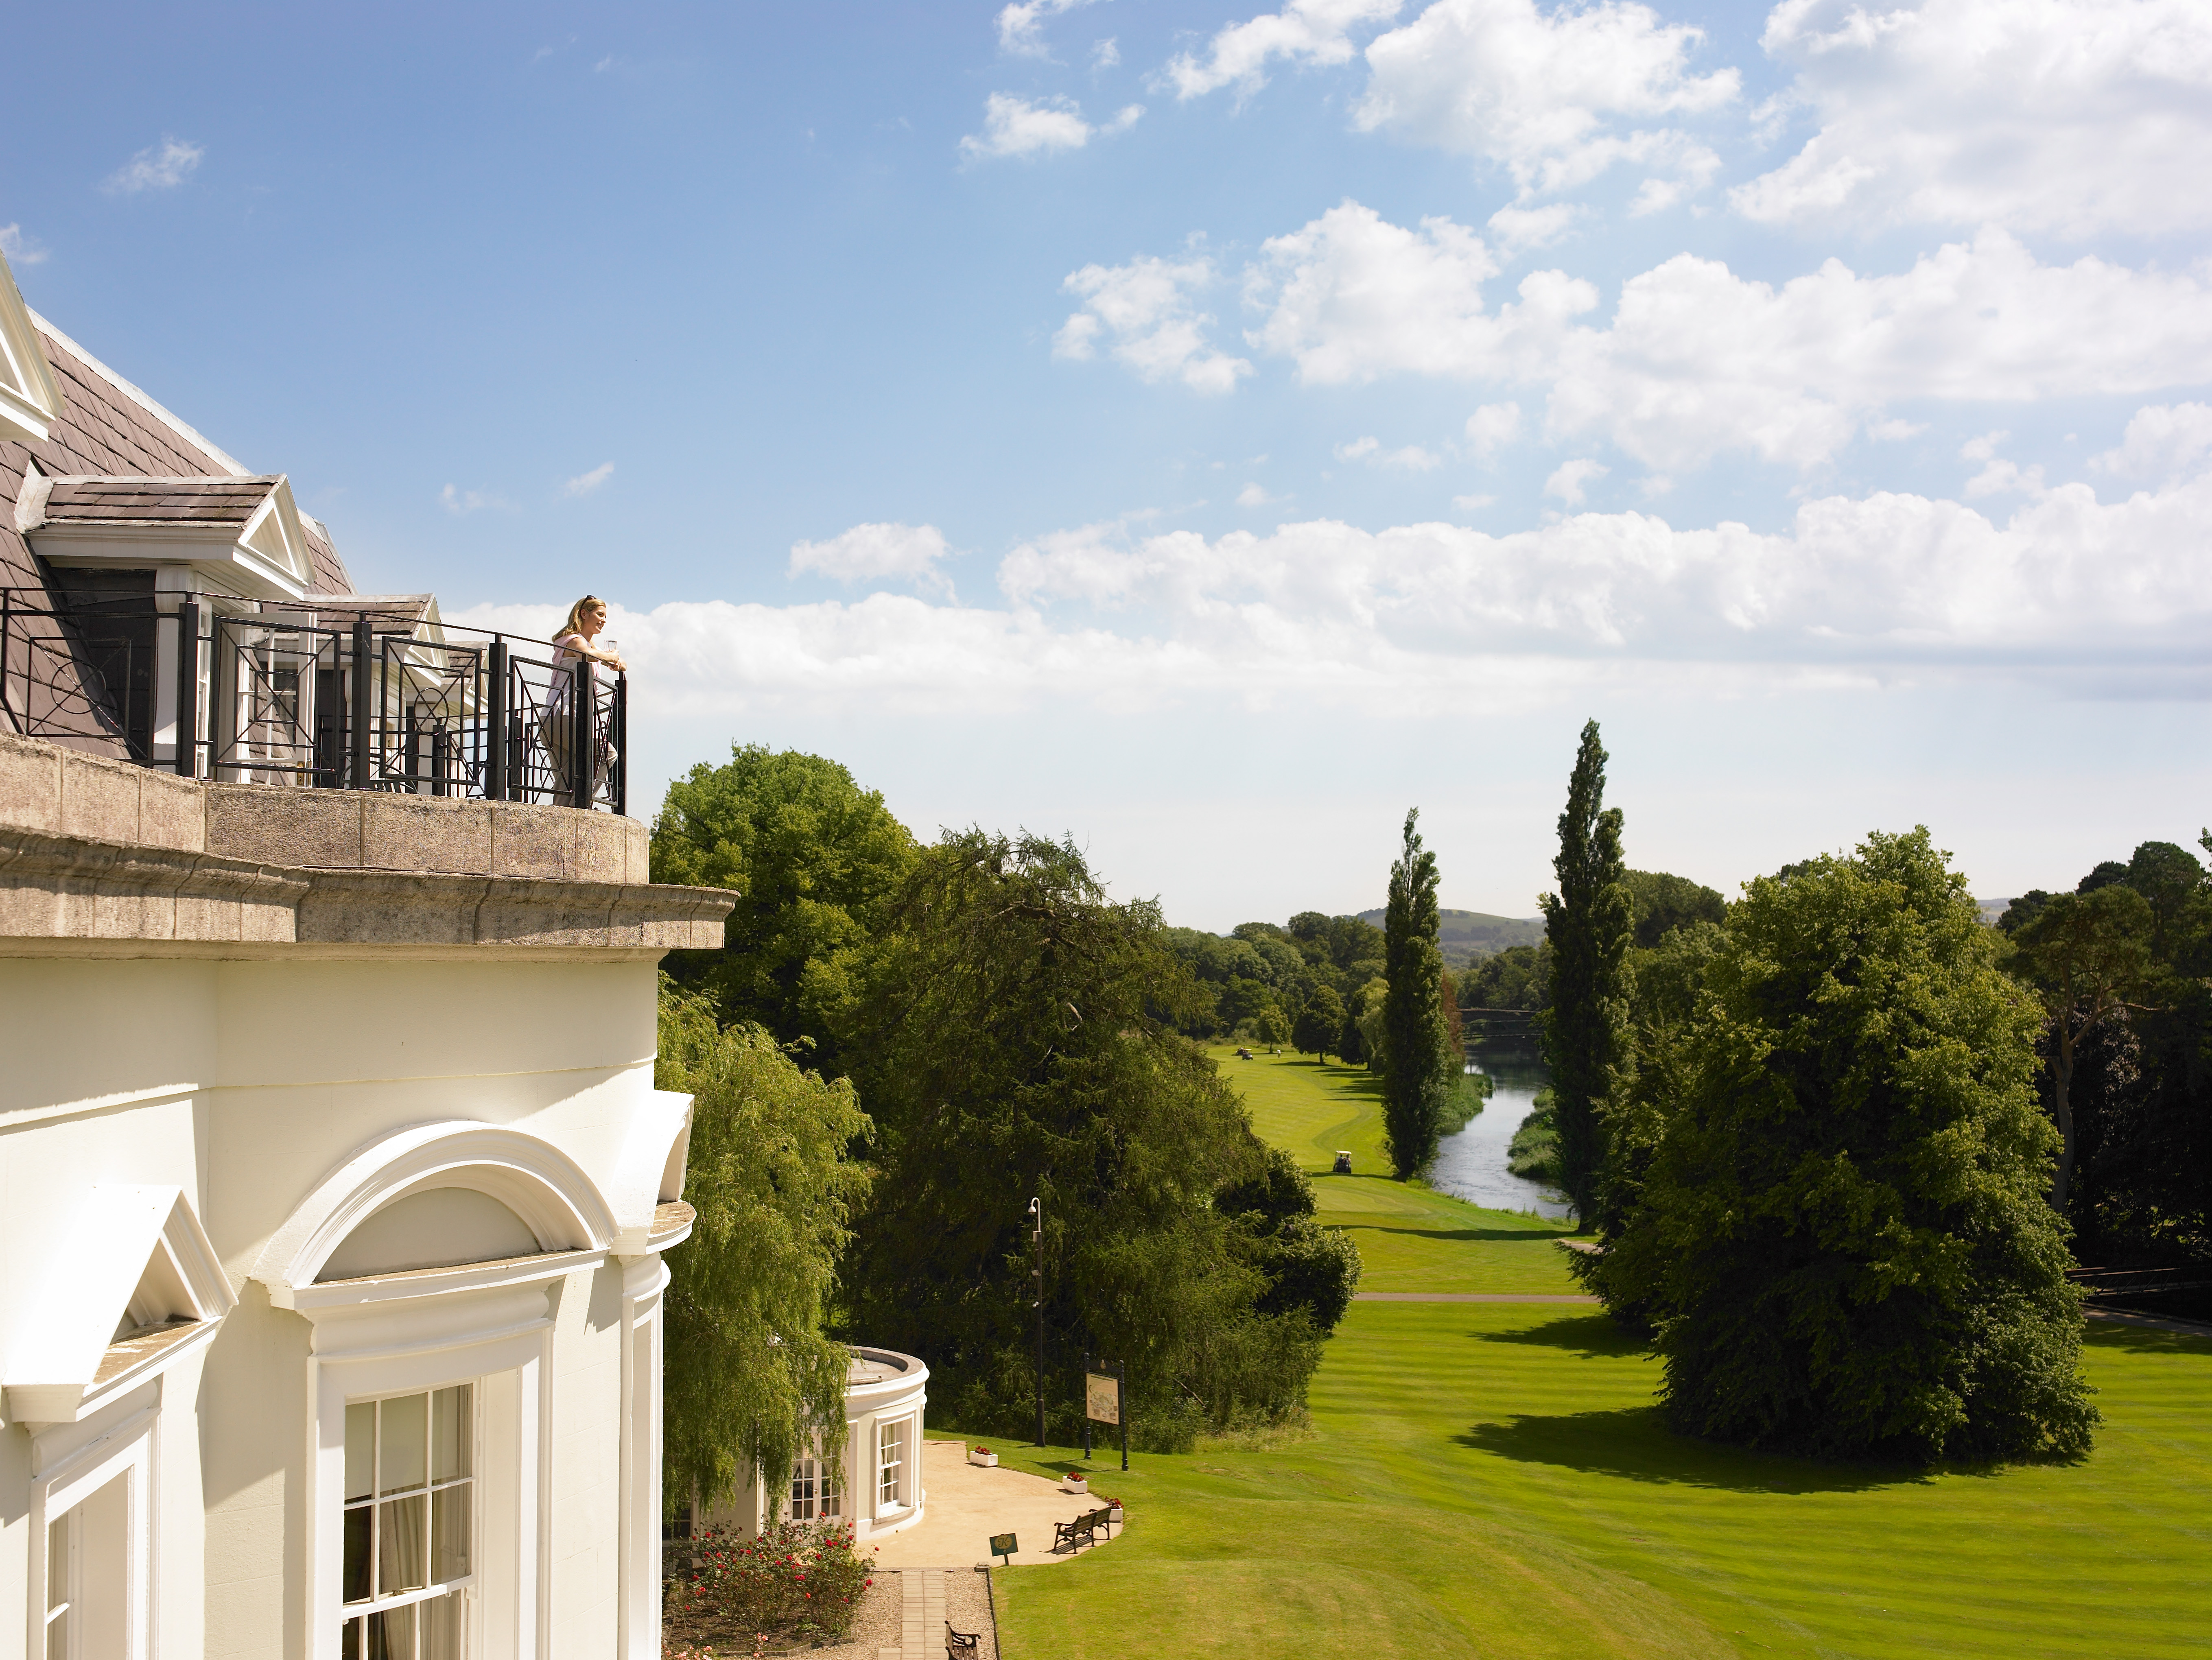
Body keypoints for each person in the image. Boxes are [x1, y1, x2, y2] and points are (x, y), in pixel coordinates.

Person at [542, 594, 624, 801]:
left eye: (605, 616)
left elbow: (619, 663)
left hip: (554, 719)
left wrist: (616, 662)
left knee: (568, 777)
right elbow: (586, 653)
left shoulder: (589, 644)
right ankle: (583, 801)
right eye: (600, 614)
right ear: (584, 614)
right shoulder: (574, 640)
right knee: (606, 754)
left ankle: (561, 819)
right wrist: (610, 658)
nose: (604, 620)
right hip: (564, 716)